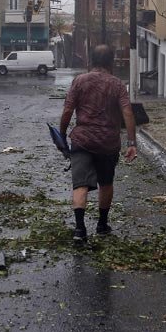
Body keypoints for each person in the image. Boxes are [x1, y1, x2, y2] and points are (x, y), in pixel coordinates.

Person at [60, 45, 137, 242]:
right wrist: (131, 142)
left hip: (82, 140)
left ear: (91, 61)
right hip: (107, 143)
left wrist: (61, 134)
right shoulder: (118, 85)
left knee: (80, 184)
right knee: (106, 183)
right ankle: (102, 225)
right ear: (111, 62)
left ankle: (79, 230)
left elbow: (68, 110)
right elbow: (128, 113)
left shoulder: (79, 81)